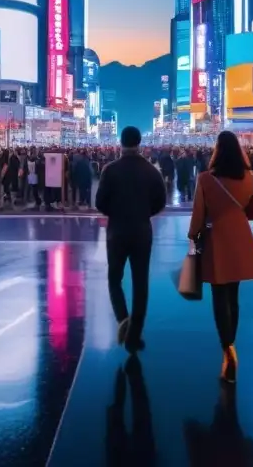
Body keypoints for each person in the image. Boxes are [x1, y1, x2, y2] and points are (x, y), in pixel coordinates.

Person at [187, 131, 253, 384]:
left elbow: (199, 214)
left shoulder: (207, 180)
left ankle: (227, 347)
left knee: (219, 296)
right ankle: (231, 342)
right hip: (241, 239)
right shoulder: (248, 178)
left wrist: (193, 235)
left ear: (217, 151)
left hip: (216, 240)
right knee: (234, 295)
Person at [95, 126, 167, 353]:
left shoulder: (110, 170)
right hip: (142, 231)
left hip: (116, 231)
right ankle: (135, 335)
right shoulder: (151, 171)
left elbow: (100, 203)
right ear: (140, 142)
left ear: (120, 143)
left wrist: (115, 212)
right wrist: (145, 212)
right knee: (140, 283)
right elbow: (160, 202)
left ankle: (122, 318)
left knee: (114, 278)